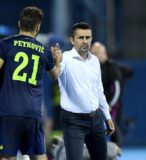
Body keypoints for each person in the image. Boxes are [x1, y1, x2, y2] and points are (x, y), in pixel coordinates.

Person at [0, 6, 62, 160]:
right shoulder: (44, 51)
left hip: (9, 110)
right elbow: (55, 75)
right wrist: (58, 61)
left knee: (7, 156)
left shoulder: (5, 44)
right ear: (38, 27)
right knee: (39, 155)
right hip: (33, 112)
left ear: (19, 23)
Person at [57, 22, 115, 160]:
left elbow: (99, 90)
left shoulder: (94, 60)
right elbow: (55, 74)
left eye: (88, 37)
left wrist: (107, 116)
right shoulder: (65, 58)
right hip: (73, 121)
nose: (85, 41)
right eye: (81, 37)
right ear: (72, 40)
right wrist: (55, 63)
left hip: (96, 119)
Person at [91, 42, 133, 147]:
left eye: (96, 53)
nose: (94, 55)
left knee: (113, 128)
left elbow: (117, 89)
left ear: (104, 53)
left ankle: (116, 152)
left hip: (112, 105)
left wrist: (110, 104)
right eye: (92, 53)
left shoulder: (111, 68)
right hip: (96, 105)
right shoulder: (92, 67)